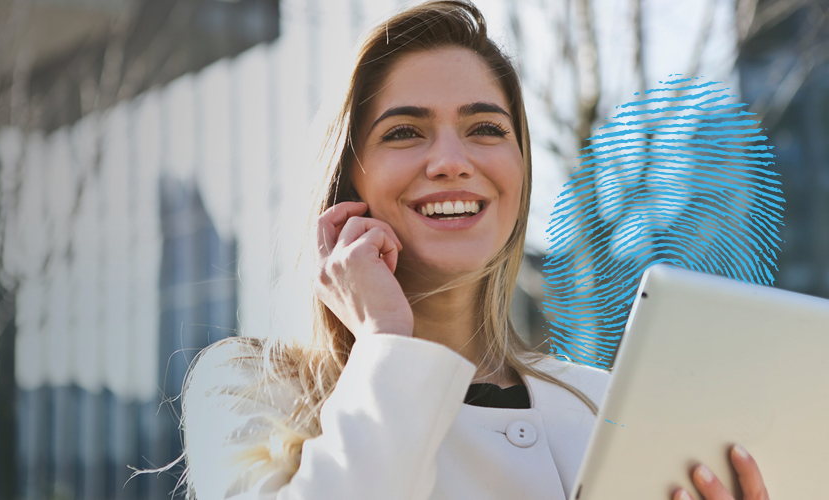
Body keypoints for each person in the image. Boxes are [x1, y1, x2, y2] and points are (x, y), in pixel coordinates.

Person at [178, 2, 769, 499]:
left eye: (486, 129)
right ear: (350, 180)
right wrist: (387, 340)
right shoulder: (249, 389)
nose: (451, 162)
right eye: (404, 131)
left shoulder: (604, 406)